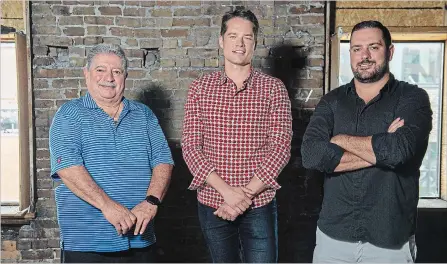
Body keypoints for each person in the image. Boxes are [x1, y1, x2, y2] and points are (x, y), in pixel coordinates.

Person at [301, 20, 432, 263]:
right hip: (333, 238)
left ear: (390, 51)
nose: (365, 56)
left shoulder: (413, 98)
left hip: (390, 239)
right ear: (350, 53)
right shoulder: (332, 102)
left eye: (374, 47)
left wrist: (338, 140)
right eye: (357, 48)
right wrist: (381, 149)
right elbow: (311, 154)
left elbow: (399, 151)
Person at [182, 7, 292, 263]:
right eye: (233, 36)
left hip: (260, 203)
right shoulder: (200, 88)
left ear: (255, 42)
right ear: (221, 41)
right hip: (212, 202)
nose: (240, 44)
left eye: (247, 37)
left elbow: (280, 148)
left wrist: (245, 196)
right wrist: (227, 193)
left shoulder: (274, 89)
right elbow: (190, 148)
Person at [49, 44, 174, 263]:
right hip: (87, 243)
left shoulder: (144, 115)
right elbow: (67, 166)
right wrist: (108, 206)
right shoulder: (69, 115)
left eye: (116, 71)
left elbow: (163, 160)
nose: (109, 77)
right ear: (86, 74)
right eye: (100, 70)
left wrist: (151, 202)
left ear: (125, 77)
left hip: (140, 238)